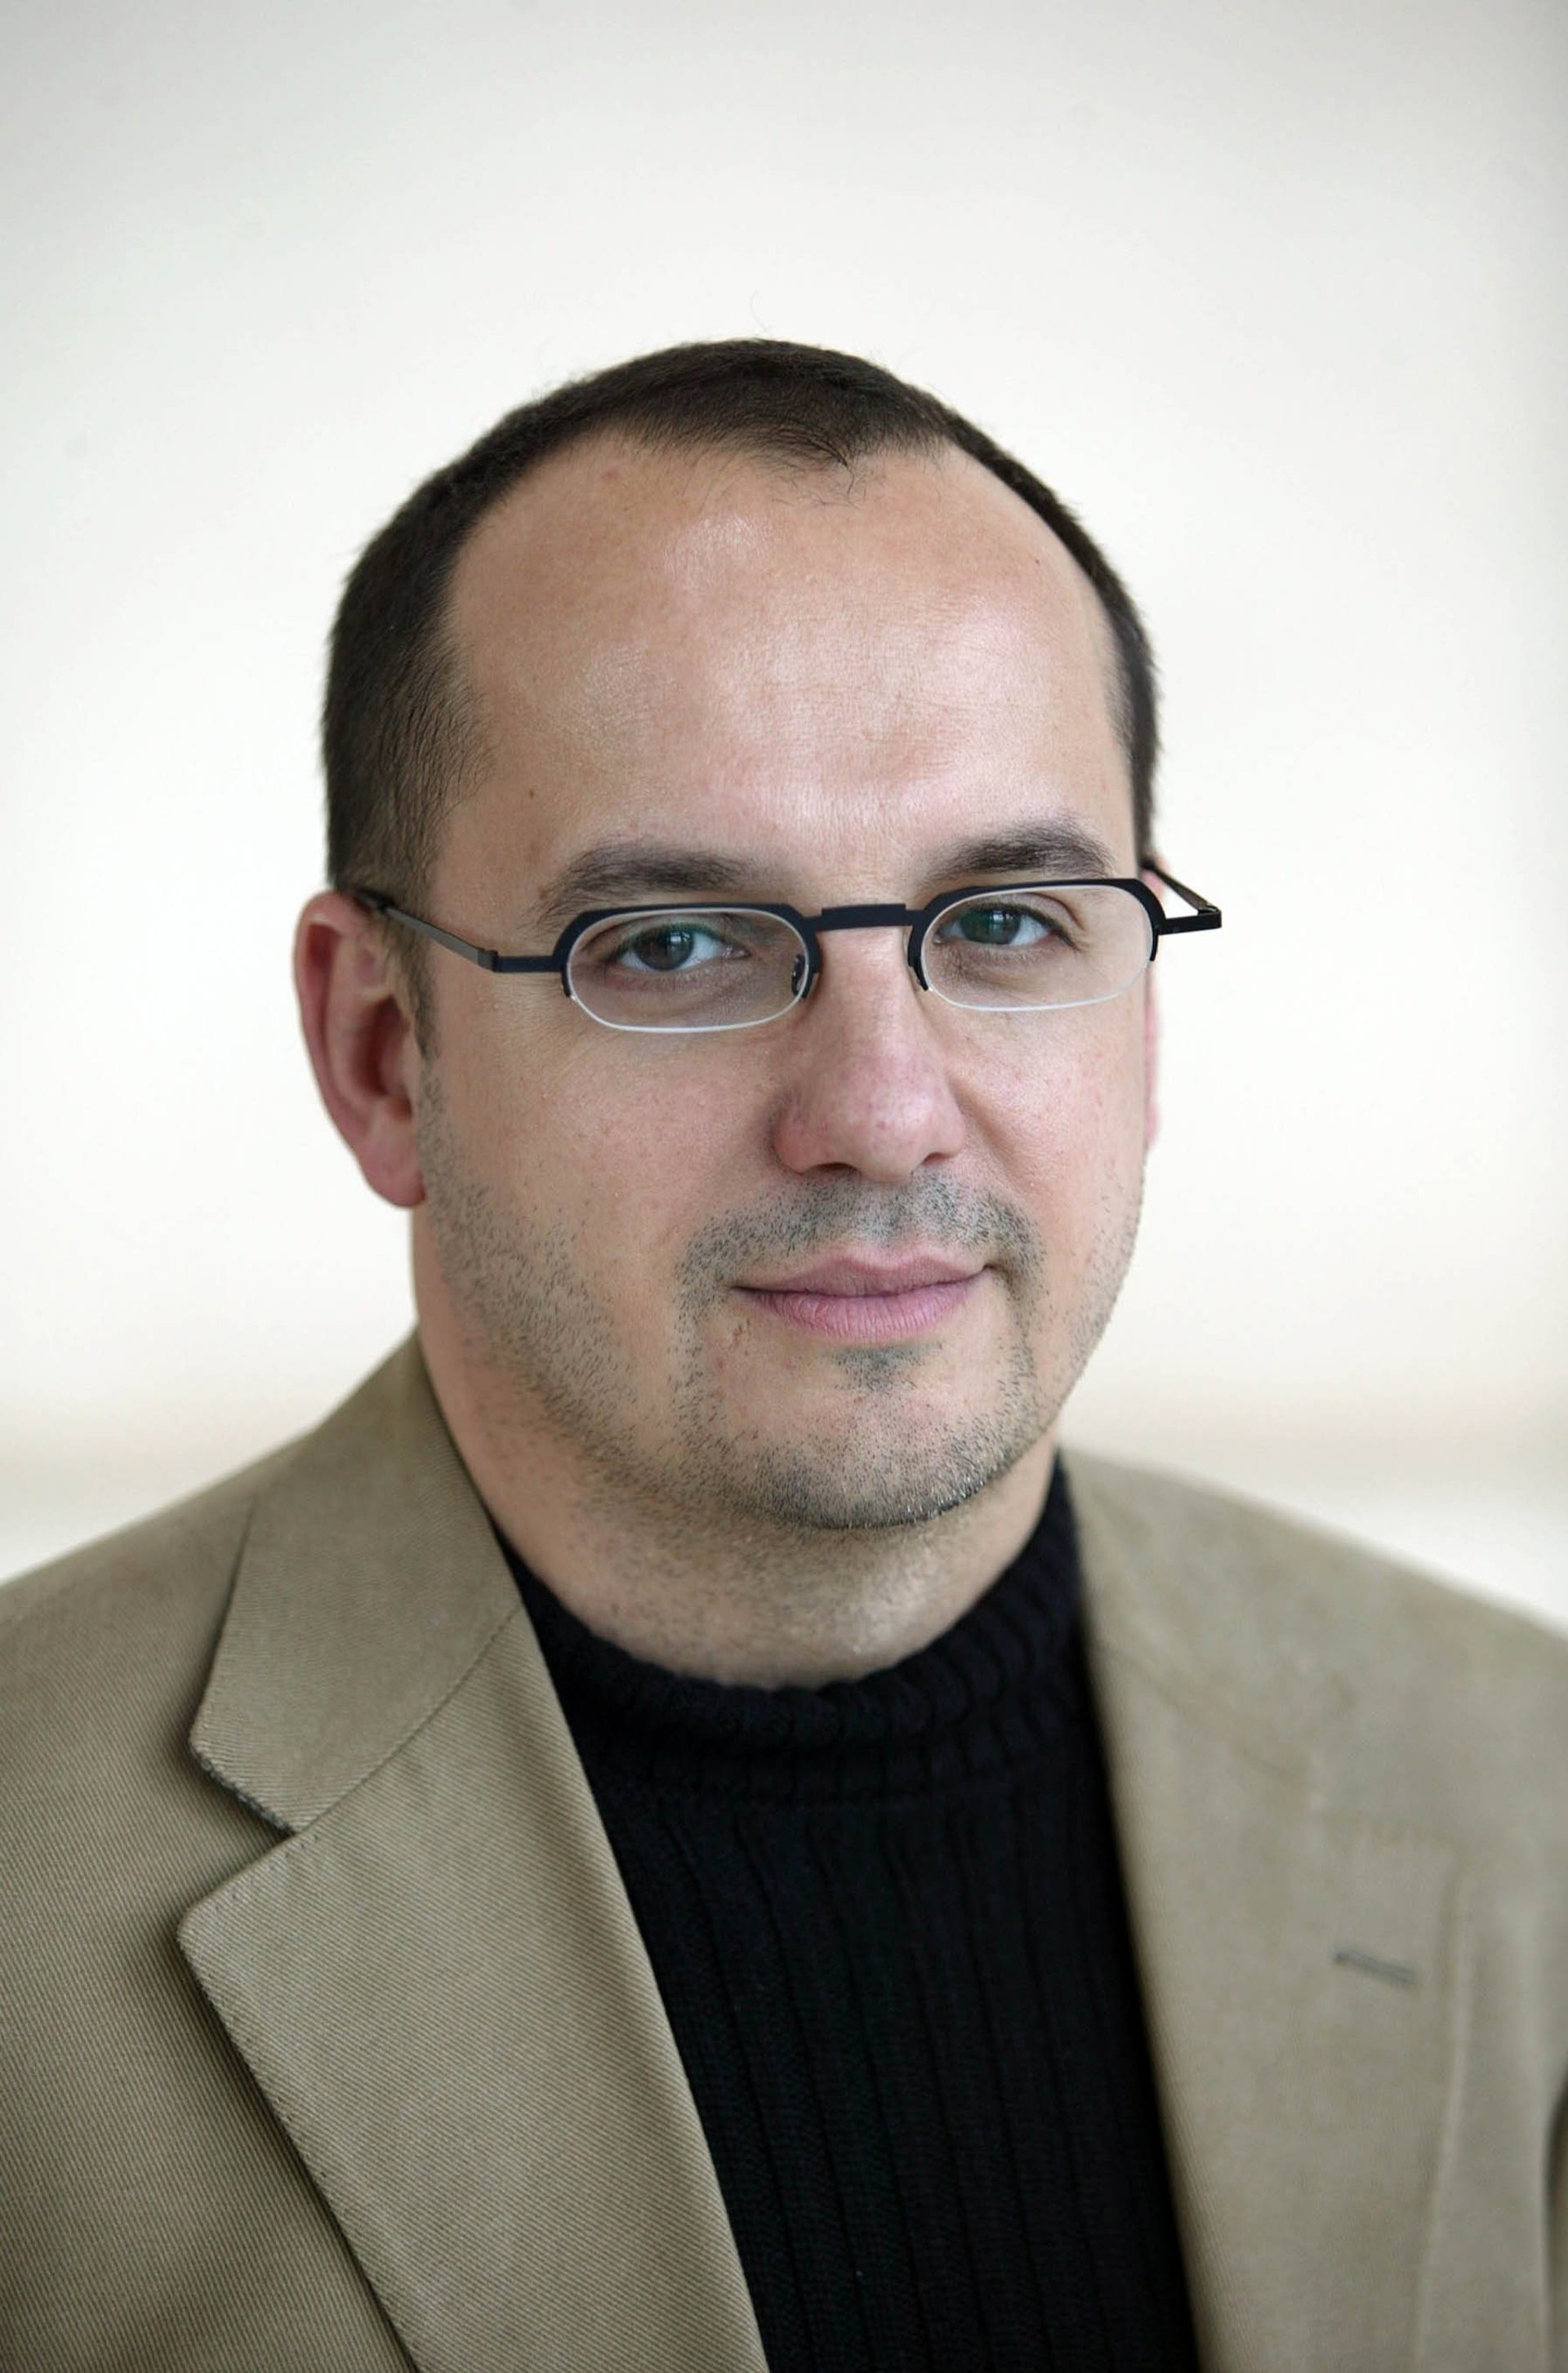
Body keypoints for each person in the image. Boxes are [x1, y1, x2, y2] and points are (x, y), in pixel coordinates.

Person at [2, 341, 1565, 2373]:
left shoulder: (1531, 1794)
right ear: (383, 1051)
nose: (884, 1114)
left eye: (1008, 921)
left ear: (1144, 1012)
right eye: (671, 946)